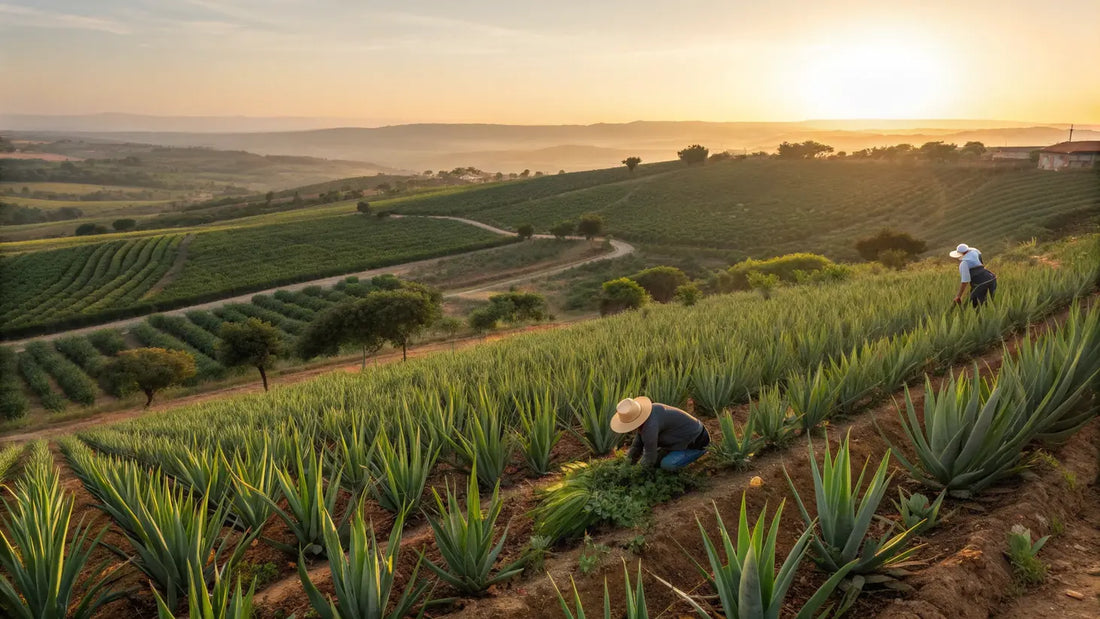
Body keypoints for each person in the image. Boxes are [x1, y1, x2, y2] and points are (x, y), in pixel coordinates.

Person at [610, 396, 710, 470]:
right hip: (679, 439)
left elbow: (649, 457)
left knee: (667, 465)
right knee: (656, 461)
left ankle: (699, 452)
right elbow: (637, 445)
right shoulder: (648, 415)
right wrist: (627, 464)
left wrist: (636, 474)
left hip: (698, 441)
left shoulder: (650, 425)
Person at [950, 243, 997, 308]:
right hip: (991, 278)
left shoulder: (964, 264)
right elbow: (981, 262)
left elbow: (965, 282)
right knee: (991, 302)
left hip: (980, 283)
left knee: (976, 305)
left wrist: (958, 296)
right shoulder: (975, 251)